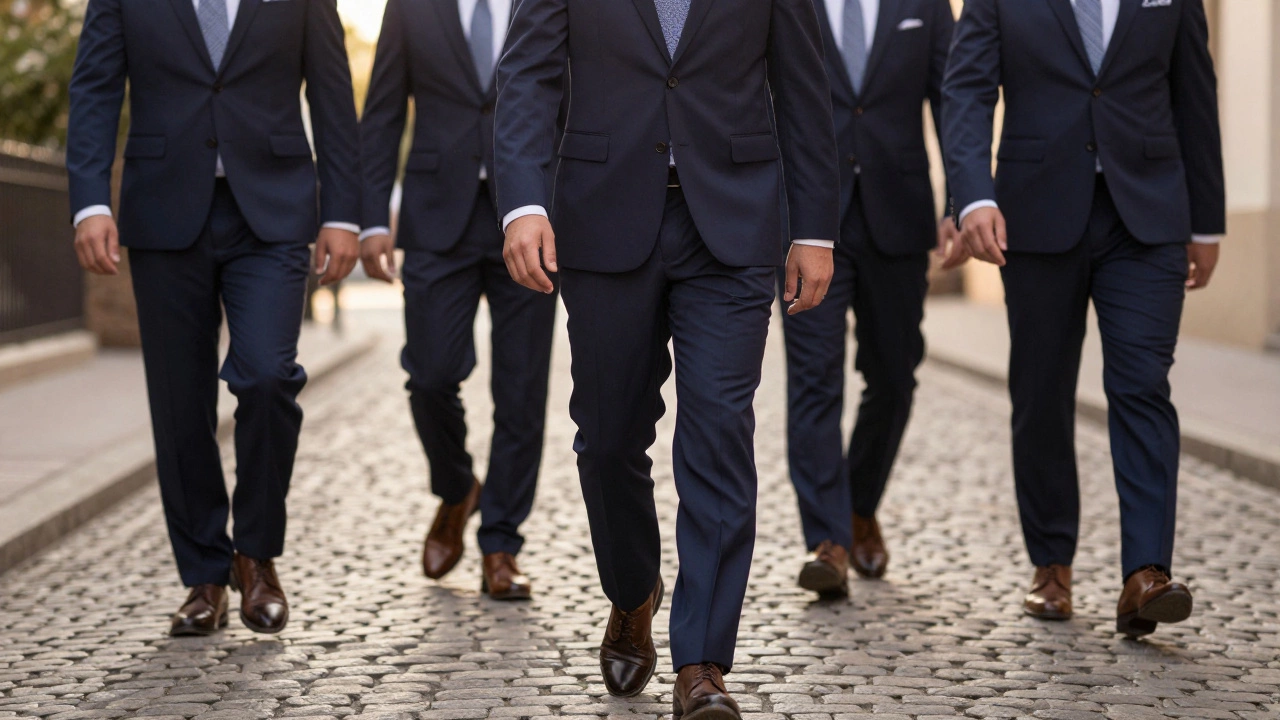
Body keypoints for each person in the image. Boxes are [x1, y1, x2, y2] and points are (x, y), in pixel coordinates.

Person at [494, 0, 841, 713]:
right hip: (601, 216)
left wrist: (814, 228)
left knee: (719, 428)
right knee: (610, 437)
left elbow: (806, 86)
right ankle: (632, 592)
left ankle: (703, 664)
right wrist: (523, 204)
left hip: (735, 221)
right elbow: (527, 75)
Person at [66, 0, 362, 635]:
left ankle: (255, 554)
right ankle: (204, 574)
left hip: (275, 213)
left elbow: (334, 96)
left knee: (266, 377)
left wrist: (342, 212)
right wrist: (89, 201)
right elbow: (94, 86)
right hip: (163, 209)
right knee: (180, 400)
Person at [942, 0, 1224, 637]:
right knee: (1040, 390)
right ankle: (1051, 563)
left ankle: (1146, 573)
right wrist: (973, 194)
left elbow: (1194, 94)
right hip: (1034, 214)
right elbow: (966, 88)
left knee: (1144, 382)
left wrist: (1206, 219)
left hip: (1147, 218)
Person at [358, 0, 557, 600]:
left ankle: (501, 542)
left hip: (531, 216)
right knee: (430, 374)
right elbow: (384, 109)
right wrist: (371, 219)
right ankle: (455, 487)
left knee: (521, 390)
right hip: (435, 218)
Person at [780, 0, 964, 598]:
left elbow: (952, 97)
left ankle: (859, 505)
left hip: (898, 216)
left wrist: (959, 200)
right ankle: (828, 540)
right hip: (807, 222)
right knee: (814, 378)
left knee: (894, 374)